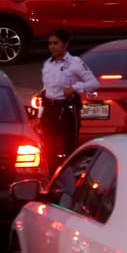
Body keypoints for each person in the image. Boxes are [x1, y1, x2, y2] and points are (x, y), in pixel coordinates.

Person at [38, 29, 98, 173]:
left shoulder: (75, 63)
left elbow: (93, 83)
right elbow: (46, 88)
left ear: (65, 45)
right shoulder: (48, 64)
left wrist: (75, 88)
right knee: (49, 147)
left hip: (67, 108)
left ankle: (70, 176)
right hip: (50, 108)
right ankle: (53, 177)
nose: (52, 47)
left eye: (56, 43)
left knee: (69, 146)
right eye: (50, 44)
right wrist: (40, 114)